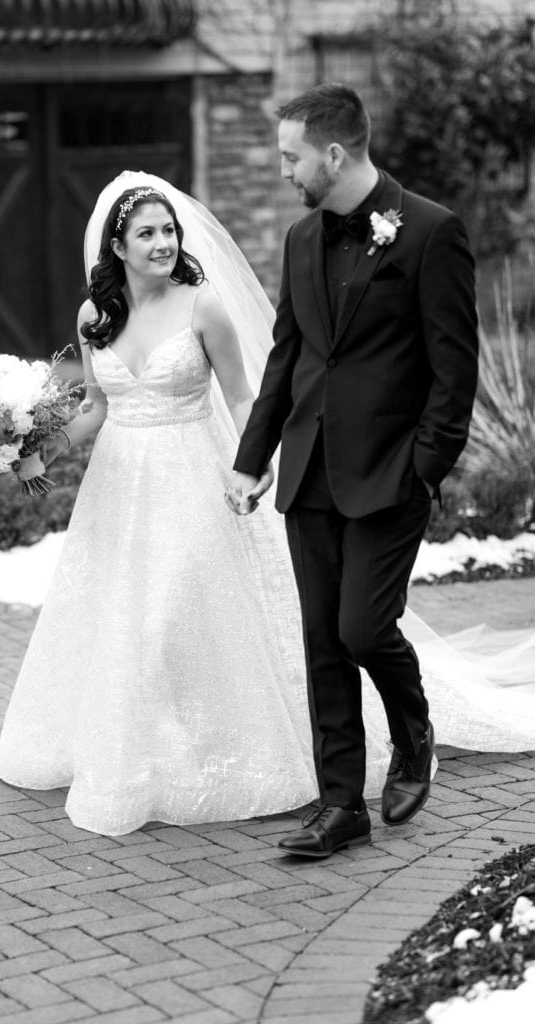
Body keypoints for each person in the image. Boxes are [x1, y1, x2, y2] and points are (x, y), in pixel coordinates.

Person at [0, 170, 535, 842]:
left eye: (168, 231)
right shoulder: (93, 315)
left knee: (166, 615)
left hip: (193, 474)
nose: (162, 243)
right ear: (118, 247)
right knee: (128, 621)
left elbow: (248, 395)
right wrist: (35, 452)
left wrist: (253, 464)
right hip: (119, 488)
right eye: (147, 234)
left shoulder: (203, 305)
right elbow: (99, 408)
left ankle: (222, 752)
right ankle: (147, 755)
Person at [229, 82, 479, 857]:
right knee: (321, 642)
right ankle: (341, 807)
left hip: (387, 476)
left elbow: (454, 369)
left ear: (332, 154)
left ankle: (412, 730)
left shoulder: (431, 232)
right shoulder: (302, 239)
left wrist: (423, 468)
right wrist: (250, 458)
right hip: (308, 472)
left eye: (289, 157)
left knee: (364, 629)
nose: (282, 171)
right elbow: (288, 356)